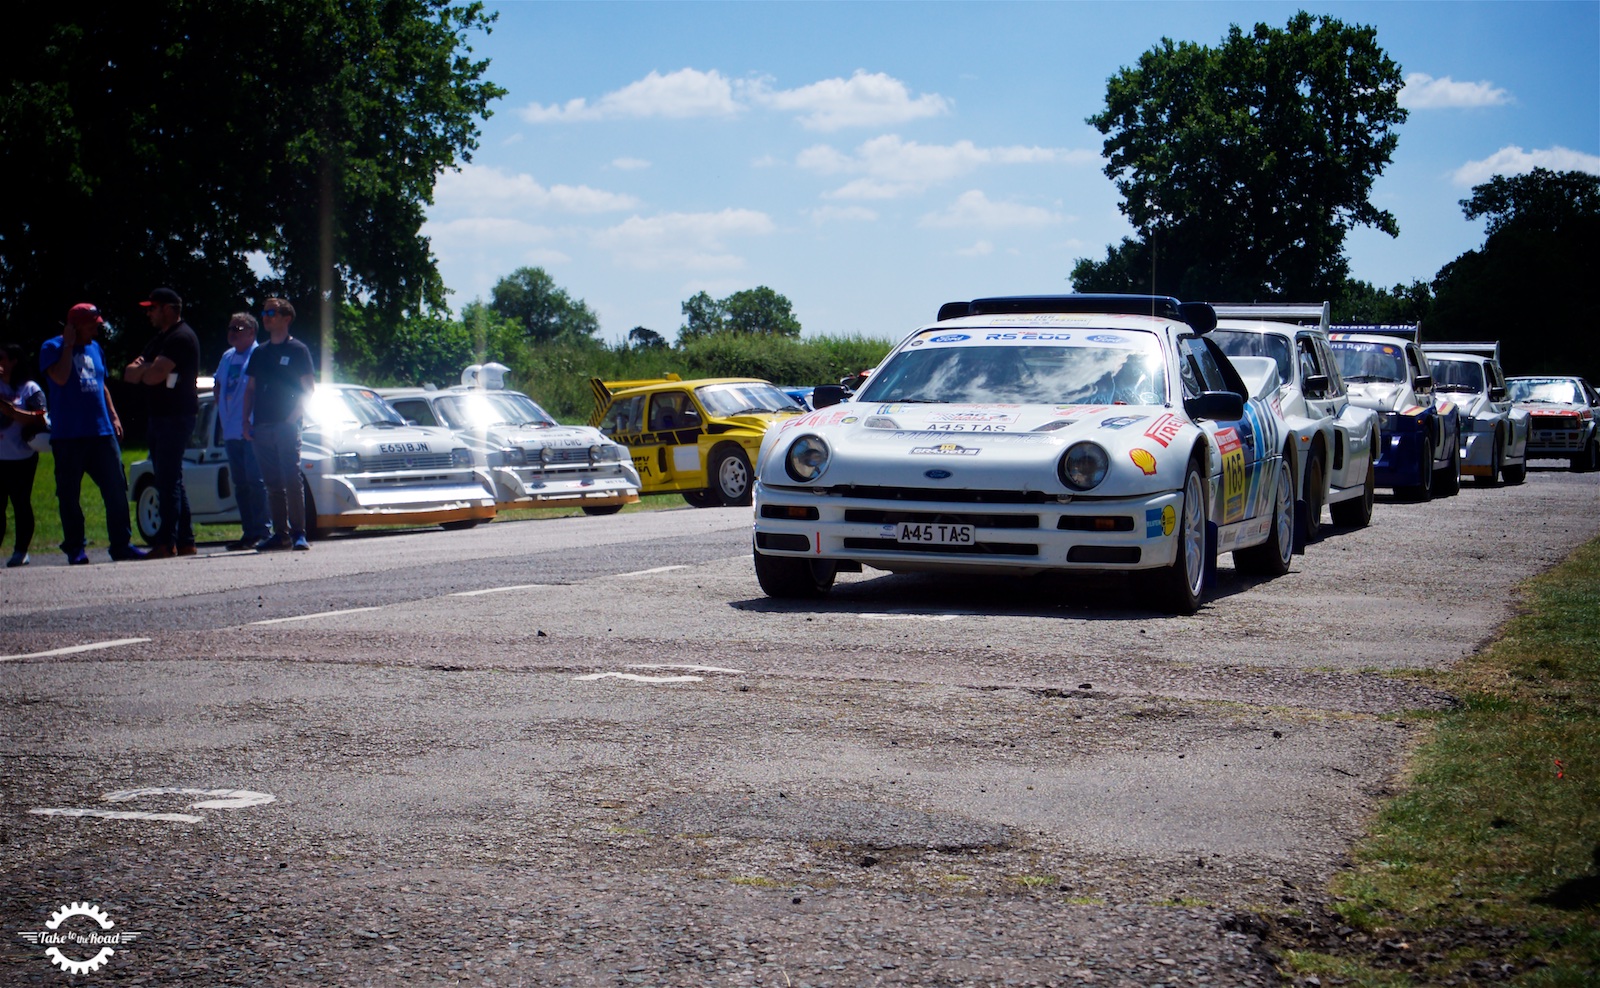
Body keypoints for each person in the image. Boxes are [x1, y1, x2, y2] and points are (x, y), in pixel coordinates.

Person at [38, 304, 147, 564]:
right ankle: (75, 547)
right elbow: (61, 378)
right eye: (92, 325)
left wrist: (113, 415)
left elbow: (101, 384)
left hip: (101, 432)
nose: (97, 330)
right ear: (74, 326)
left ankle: (121, 545)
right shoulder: (51, 348)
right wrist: (68, 345)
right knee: (69, 495)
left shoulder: (96, 349)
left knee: (116, 489)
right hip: (68, 436)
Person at [124, 287, 201, 557]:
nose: (149, 313)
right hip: (159, 416)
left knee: (167, 480)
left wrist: (148, 369)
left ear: (168, 308)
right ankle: (186, 539)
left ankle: (166, 542)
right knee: (171, 478)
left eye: (153, 308)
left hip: (176, 416)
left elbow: (154, 376)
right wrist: (148, 368)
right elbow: (130, 374)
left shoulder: (181, 338)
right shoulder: (159, 340)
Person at [242, 297, 315, 551]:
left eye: (271, 312)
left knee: (291, 479)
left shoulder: (298, 350)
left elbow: (309, 390)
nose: (266, 317)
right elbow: (250, 389)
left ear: (286, 318)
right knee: (272, 483)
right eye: (264, 312)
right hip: (261, 425)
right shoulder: (259, 352)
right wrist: (245, 420)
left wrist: (293, 417)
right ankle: (280, 534)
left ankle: (298, 534)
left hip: (286, 425)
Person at [215, 313, 271, 550]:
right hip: (230, 430)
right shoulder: (227, 357)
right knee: (240, 483)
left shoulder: (258, 354)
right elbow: (218, 384)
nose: (232, 332)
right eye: (230, 328)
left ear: (251, 331)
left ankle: (264, 531)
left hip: (251, 429)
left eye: (237, 328)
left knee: (255, 481)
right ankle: (248, 532)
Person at [1, 342, 49, 567]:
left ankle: (21, 550)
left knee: (21, 504)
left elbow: (41, 417)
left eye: (2, 358)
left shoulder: (29, 388)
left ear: (14, 361)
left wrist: (12, 411)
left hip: (22, 457)